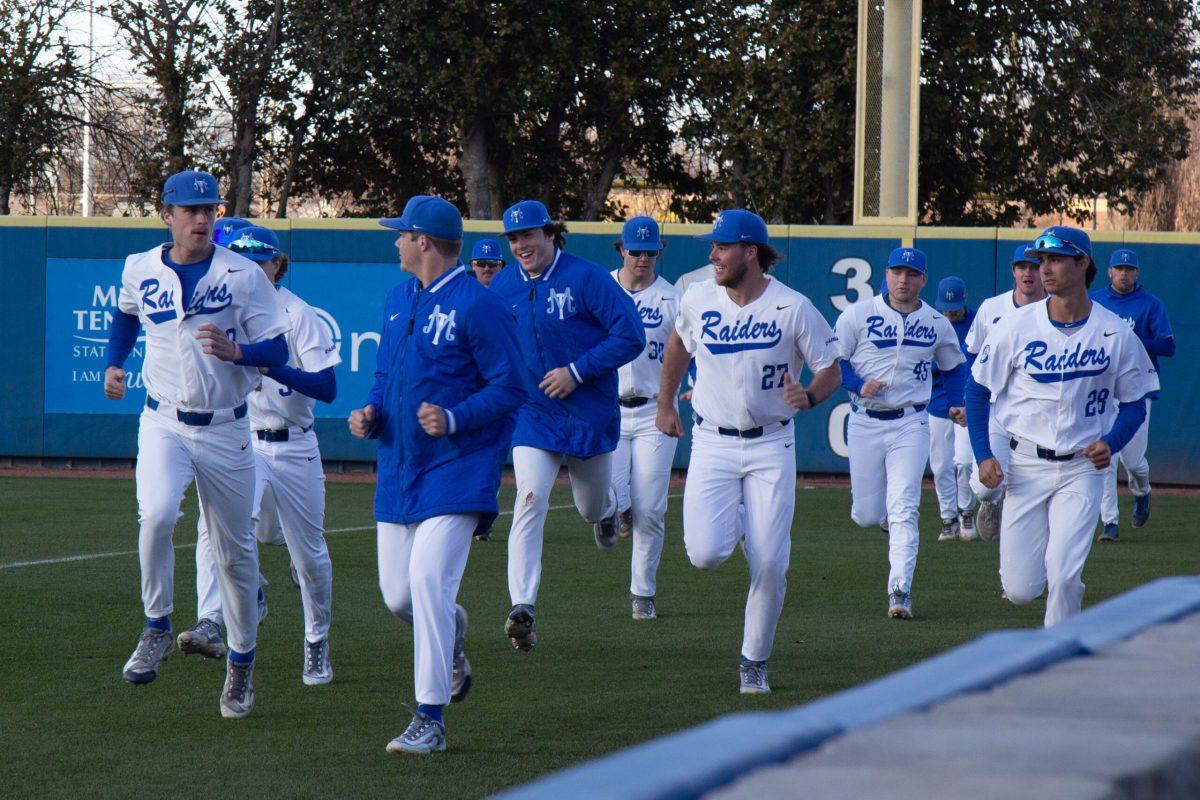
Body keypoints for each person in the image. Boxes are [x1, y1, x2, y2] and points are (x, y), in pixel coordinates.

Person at [104, 170, 289, 718]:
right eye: (190, 209)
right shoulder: (140, 267)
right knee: (157, 516)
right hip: (162, 420)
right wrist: (116, 362)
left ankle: (241, 660)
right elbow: (125, 315)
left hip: (228, 427)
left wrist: (240, 355)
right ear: (167, 214)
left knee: (234, 556)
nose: (202, 217)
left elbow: (277, 350)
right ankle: (158, 624)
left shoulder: (243, 275)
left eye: (209, 208)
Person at [348, 195, 524, 754]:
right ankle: (450, 639)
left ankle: (430, 719)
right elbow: (384, 373)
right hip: (400, 467)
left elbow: (510, 386)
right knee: (399, 596)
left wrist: (454, 417)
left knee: (426, 582)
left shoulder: (479, 305)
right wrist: (371, 412)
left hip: (459, 468)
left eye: (401, 233)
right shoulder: (399, 298)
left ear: (424, 241)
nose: (395, 241)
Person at [657, 209, 842, 694]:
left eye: (722, 246)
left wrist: (812, 395)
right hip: (712, 441)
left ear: (750, 252)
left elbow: (830, 367)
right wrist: (665, 403)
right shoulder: (698, 298)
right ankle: (743, 526)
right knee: (704, 554)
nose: (713, 255)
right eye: (713, 247)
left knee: (770, 563)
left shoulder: (793, 306)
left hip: (771, 444)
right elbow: (679, 342)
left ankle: (753, 660)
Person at [967, 226, 1158, 626]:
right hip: (1026, 465)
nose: (1045, 268)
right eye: (1042, 260)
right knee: (1020, 590)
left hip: (1082, 468)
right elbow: (977, 390)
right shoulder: (1014, 327)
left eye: (1055, 259)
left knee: (1064, 572)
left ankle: (1058, 656)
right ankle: (1061, 593)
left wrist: (1113, 440)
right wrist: (984, 454)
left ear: (1083, 264)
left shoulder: (1115, 333)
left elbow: (1135, 402)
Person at [180, 227, 341, 687]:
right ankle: (212, 618)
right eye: (243, 258)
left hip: (295, 445)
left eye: (261, 258)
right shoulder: (226, 308)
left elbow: (328, 389)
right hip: (245, 439)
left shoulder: (297, 315)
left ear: (277, 264)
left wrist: (267, 362)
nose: (252, 266)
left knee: (309, 557)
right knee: (215, 528)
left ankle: (316, 641)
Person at [487, 199, 644, 651]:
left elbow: (629, 334)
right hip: (533, 415)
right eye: (514, 238)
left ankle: (609, 510)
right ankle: (523, 606)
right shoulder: (502, 288)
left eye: (529, 235)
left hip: (588, 412)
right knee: (529, 497)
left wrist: (576, 371)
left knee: (589, 507)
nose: (521, 245)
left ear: (551, 234)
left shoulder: (586, 276)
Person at [834, 247, 967, 620]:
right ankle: (884, 518)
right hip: (864, 420)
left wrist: (957, 402)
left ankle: (900, 590)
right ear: (887, 274)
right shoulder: (858, 314)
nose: (903, 280)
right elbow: (834, 363)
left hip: (912, 421)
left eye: (911, 274)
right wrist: (859, 384)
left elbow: (954, 367)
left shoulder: (937, 322)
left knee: (905, 508)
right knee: (865, 514)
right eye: (897, 272)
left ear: (923, 279)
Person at [608, 216, 681, 620]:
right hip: (608, 410)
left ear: (659, 251)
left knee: (651, 508)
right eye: (635, 250)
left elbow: (695, 349)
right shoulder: (601, 289)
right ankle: (616, 511)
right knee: (613, 499)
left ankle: (643, 593)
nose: (642, 257)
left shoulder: (672, 299)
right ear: (621, 249)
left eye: (650, 250)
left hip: (655, 409)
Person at [963, 243, 1047, 541]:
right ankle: (991, 501)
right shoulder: (992, 307)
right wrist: (968, 398)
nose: (1028, 272)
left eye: (1034, 266)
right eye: (1022, 266)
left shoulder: (1054, 309)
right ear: (1013, 271)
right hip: (996, 407)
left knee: (1029, 492)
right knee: (986, 485)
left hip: (1035, 411)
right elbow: (972, 356)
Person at [1090, 248, 1174, 541]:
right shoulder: (1096, 302)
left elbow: (1168, 347)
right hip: (1104, 387)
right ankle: (1109, 524)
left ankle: (1142, 490)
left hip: (1138, 387)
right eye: (1118, 269)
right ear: (1109, 272)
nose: (1123, 274)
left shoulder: (1151, 305)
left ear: (1136, 273)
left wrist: (1132, 340)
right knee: (1106, 457)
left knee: (1133, 460)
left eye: (1129, 269)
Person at [927, 276, 976, 541]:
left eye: (954, 308)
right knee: (941, 465)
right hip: (937, 403)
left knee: (965, 462)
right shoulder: (933, 322)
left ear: (965, 299)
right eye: (945, 308)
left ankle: (966, 511)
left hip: (967, 405)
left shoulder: (976, 321)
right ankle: (948, 518)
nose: (949, 313)